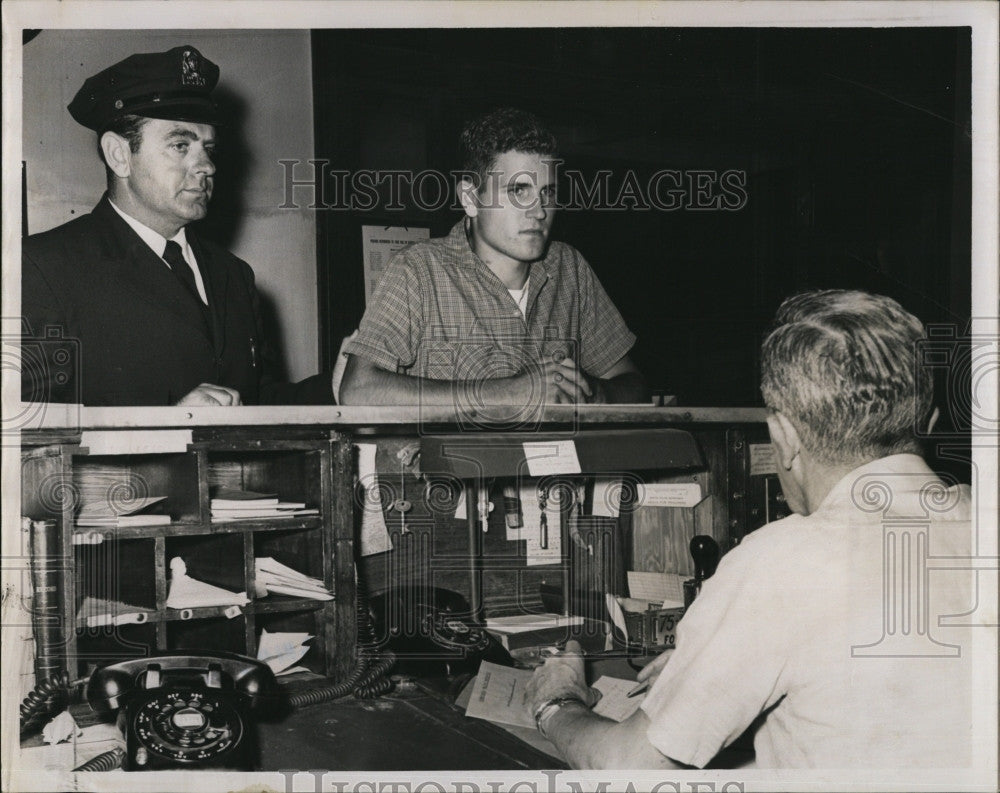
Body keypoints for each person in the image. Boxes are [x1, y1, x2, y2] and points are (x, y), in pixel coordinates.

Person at [525, 290, 977, 769]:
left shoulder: (782, 561)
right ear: (928, 421)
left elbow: (628, 767)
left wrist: (556, 704)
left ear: (782, 438)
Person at [21, 45, 335, 406]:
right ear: (119, 155)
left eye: (208, 148)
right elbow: (23, 435)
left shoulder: (234, 275)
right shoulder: (43, 267)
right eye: (180, 145)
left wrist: (336, 388)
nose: (207, 166)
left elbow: (256, 403)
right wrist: (166, 427)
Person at [338, 107, 647, 407]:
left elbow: (633, 383)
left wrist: (590, 392)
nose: (539, 211)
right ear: (471, 199)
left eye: (548, 193)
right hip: (452, 460)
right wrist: (506, 393)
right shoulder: (418, 270)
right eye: (518, 191)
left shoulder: (570, 268)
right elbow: (358, 389)